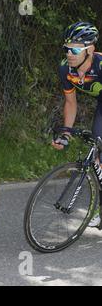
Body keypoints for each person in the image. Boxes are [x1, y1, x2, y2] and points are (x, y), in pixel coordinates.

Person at [52, 21, 101, 227]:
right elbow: (70, 103)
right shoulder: (66, 69)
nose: (69, 54)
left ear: (90, 50)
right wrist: (66, 133)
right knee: (98, 157)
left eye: (74, 49)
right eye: (66, 48)